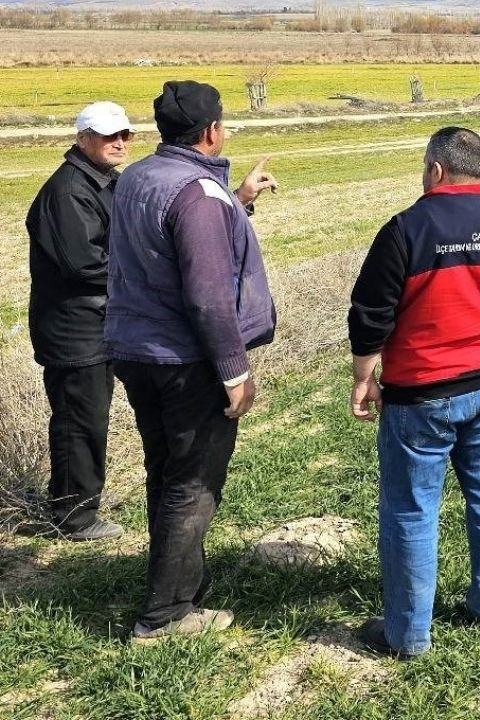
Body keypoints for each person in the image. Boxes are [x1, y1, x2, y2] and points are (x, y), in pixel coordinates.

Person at [347, 126, 480, 658]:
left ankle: (408, 634)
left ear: (436, 170)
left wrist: (362, 375)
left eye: (424, 168)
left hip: (421, 395)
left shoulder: (405, 230)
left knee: (412, 509)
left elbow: (371, 313)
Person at [106, 80, 279, 641]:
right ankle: (166, 614)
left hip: (136, 350)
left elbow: (168, 239)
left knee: (167, 470)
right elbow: (207, 294)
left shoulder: (138, 177)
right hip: (186, 359)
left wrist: (239, 198)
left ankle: (178, 579)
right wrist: (235, 371)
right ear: (212, 131)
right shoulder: (197, 195)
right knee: (194, 480)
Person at [25, 102, 134, 541]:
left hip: (96, 323)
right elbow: (82, 263)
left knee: (89, 416)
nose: (120, 143)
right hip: (73, 330)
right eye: (109, 136)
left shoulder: (103, 181)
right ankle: (74, 518)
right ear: (82, 137)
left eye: (125, 134)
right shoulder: (69, 190)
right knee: (78, 421)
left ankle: (79, 505)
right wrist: (143, 269)